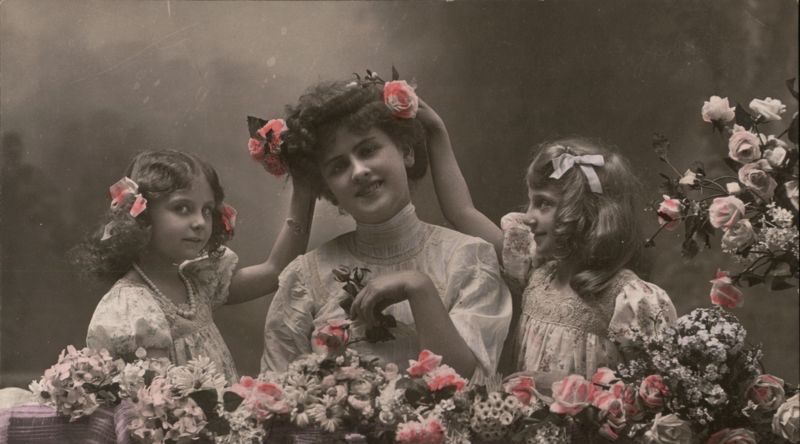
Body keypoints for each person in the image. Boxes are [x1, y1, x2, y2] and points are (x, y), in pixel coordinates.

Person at [259, 77, 512, 382]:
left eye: (367, 150)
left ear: (406, 151)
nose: (359, 171)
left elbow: (462, 384)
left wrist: (417, 287)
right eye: (338, 167)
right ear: (328, 190)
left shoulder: (469, 259)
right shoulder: (304, 278)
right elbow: (276, 399)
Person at [417, 102, 676, 381]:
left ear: (586, 213)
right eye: (531, 201)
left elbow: (657, 393)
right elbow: (461, 212)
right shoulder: (536, 271)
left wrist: (570, 389)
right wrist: (436, 131)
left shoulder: (630, 298)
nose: (528, 216)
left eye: (543, 203)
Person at [73, 149, 315, 384]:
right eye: (182, 208)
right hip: (180, 422)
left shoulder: (196, 280)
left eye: (207, 210)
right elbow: (158, 405)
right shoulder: (130, 306)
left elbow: (274, 271)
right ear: (141, 215)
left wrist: (304, 194)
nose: (200, 222)